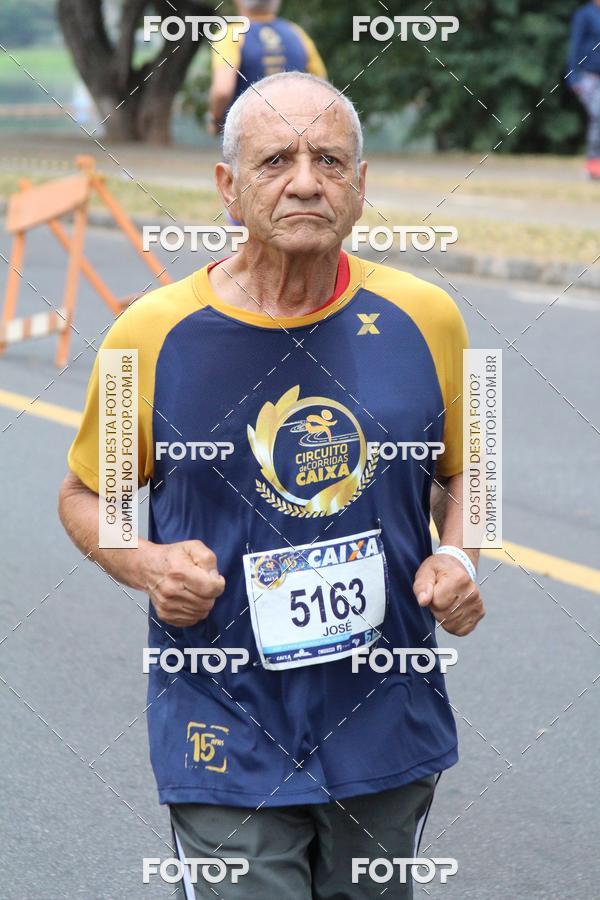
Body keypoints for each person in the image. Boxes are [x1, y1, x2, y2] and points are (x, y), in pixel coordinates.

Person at [59, 72, 485, 899]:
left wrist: (464, 557)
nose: (305, 182)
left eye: (329, 160)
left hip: (386, 722)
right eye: (275, 161)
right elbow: (84, 497)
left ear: (360, 185)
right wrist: (145, 564)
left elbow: (480, 464)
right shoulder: (147, 334)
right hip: (223, 724)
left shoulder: (431, 316)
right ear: (228, 186)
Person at [206, 0, 326, 134]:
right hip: (294, 133)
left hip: (248, 134)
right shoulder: (297, 33)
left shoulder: (231, 34)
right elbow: (321, 86)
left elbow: (222, 91)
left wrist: (215, 119)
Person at [567, 0, 600, 178]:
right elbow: (575, 45)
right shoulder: (585, 14)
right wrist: (573, 77)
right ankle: (594, 163)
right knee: (598, 114)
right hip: (589, 76)